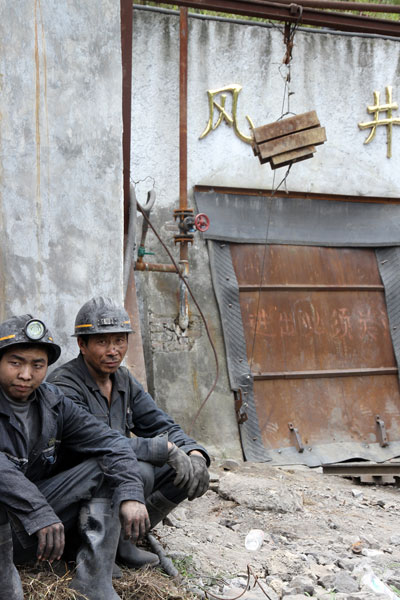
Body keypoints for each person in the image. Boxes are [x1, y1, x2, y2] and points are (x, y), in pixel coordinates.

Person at [48, 296, 210, 568]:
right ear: (82, 345)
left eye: (120, 341)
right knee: (139, 468)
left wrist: (195, 453)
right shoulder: (64, 385)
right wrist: (164, 449)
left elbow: (161, 424)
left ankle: (129, 537)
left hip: (115, 480)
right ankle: (95, 547)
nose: (113, 351)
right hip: (78, 487)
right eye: (102, 342)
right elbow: (99, 442)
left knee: (182, 468)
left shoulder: (123, 380)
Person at [0, 314, 152, 600]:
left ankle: (93, 580)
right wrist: (38, 511)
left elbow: (112, 444)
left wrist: (131, 493)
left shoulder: (53, 402)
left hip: (37, 525)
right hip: (12, 523)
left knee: (104, 465)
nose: (25, 375)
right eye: (15, 363)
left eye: (37, 365)